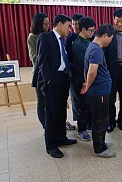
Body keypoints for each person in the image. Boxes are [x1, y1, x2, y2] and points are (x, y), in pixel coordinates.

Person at [33, 14, 77, 158]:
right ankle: (51, 145)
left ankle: (61, 137)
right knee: (51, 114)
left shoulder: (61, 40)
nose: (69, 29)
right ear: (59, 24)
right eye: (68, 25)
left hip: (63, 79)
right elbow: (42, 60)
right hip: (52, 81)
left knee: (61, 112)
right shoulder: (46, 37)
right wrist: (48, 80)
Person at [81, 23, 116, 158]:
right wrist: (88, 85)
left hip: (100, 90)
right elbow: (91, 71)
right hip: (99, 92)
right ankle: (99, 148)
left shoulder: (92, 46)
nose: (110, 41)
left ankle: (101, 142)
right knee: (100, 120)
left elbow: (87, 70)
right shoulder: (96, 50)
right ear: (105, 35)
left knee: (102, 118)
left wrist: (87, 83)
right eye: (110, 38)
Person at [72, 16, 95, 141]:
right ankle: (82, 130)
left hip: (90, 79)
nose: (92, 33)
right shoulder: (77, 44)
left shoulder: (88, 41)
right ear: (83, 29)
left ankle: (89, 125)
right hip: (82, 80)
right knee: (83, 107)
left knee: (89, 105)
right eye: (91, 31)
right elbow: (83, 65)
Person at [27, 12, 49, 128]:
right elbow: (34, 58)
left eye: (48, 23)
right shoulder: (32, 37)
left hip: (49, 74)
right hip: (39, 75)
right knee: (42, 102)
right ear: (38, 24)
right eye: (45, 24)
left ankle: (51, 125)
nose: (47, 26)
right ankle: (45, 126)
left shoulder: (47, 35)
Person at [66, 13, 84, 130]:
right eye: (73, 24)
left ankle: (87, 122)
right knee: (76, 99)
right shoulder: (70, 38)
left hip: (85, 73)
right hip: (74, 73)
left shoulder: (88, 37)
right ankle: (79, 123)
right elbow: (67, 56)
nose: (75, 26)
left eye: (77, 24)